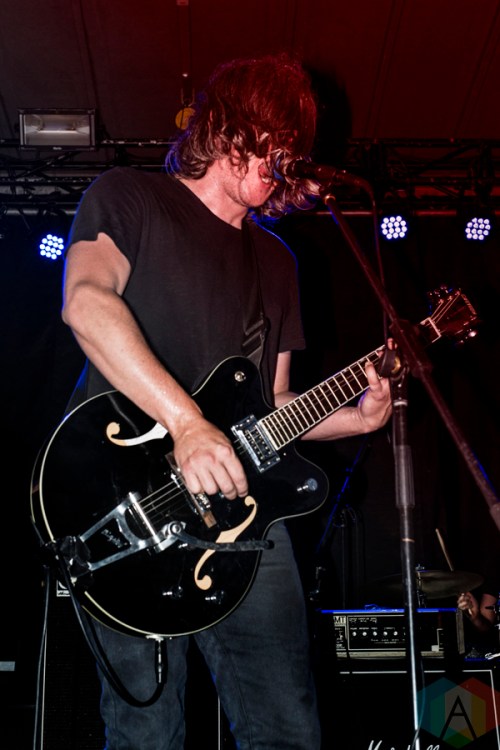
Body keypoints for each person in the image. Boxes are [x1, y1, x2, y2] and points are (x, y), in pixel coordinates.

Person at [60, 52, 392, 750]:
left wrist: (352, 419)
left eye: (294, 147)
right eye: (276, 138)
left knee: (288, 730)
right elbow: (87, 304)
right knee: (148, 733)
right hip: (124, 507)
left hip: (241, 521)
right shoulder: (130, 197)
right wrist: (187, 423)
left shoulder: (276, 262)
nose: (284, 159)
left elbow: (272, 405)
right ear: (230, 125)